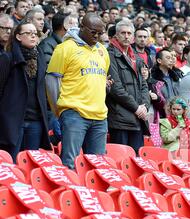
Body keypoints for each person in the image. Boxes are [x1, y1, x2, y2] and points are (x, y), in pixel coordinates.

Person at [46, 13, 110, 169]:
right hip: (74, 113)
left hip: (100, 116)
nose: (96, 36)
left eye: (100, 33)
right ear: (82, 27)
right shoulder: (64, 48)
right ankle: (68, 193)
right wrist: (59, 111)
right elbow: (51, 81)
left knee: (97, 166)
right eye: (93, 31)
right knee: (70, 163)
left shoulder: (103, 51)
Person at [0, 21, 51, 161]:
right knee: (11, 162)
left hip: (36, 120)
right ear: (18, 37)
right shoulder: (8, 57)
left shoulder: (40, 58)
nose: (33, 36)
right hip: (13, 120)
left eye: (35, 33)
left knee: (29, 162)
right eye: (28, 33)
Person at [106, 20, 152, 153]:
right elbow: (116, 89)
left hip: (137, 119)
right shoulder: (110, 55)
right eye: (123, 33)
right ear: (116, 36)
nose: (126, 36)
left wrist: (144, 107)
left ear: (132, 37)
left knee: (136, 162)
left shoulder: (136, 58)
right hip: (120, 120)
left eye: (129, 33)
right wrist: (137, 108)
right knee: (121, 161)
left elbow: (144, 85)